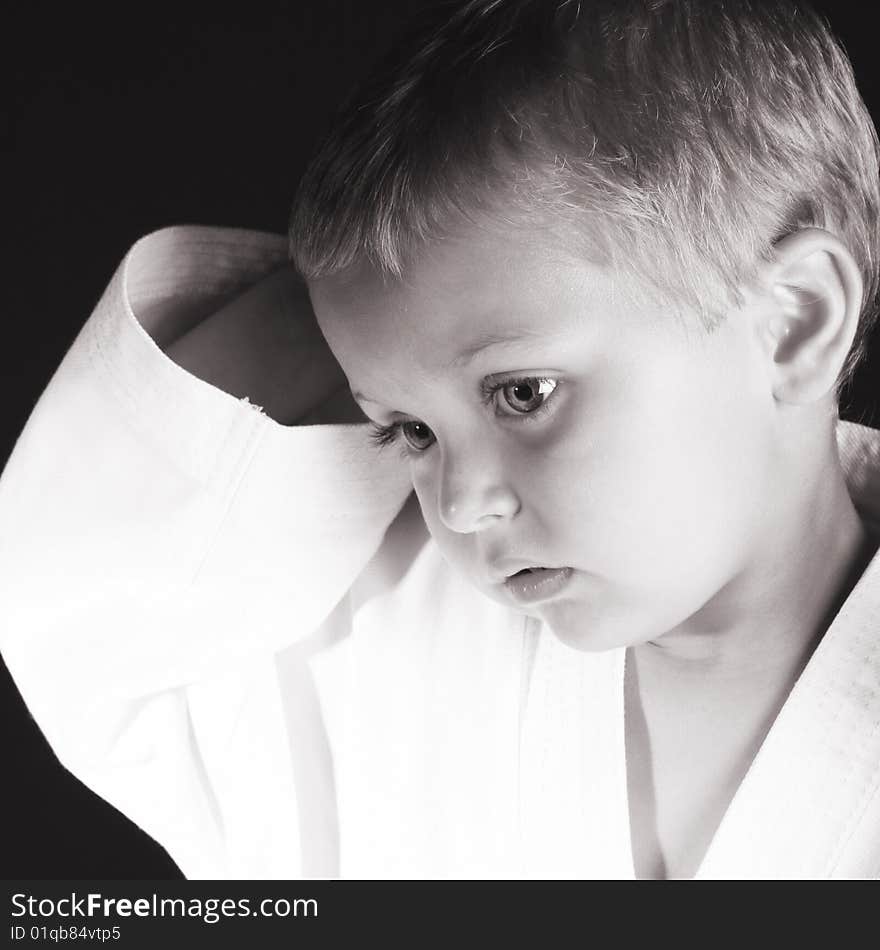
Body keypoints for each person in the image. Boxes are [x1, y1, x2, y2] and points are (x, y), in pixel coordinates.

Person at [2, 0, 880, 880]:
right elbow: (72, 601)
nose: (461, 504)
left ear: (796, 321)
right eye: (410, 431)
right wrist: (389, 299)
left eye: (524, 394)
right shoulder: (373, 663)